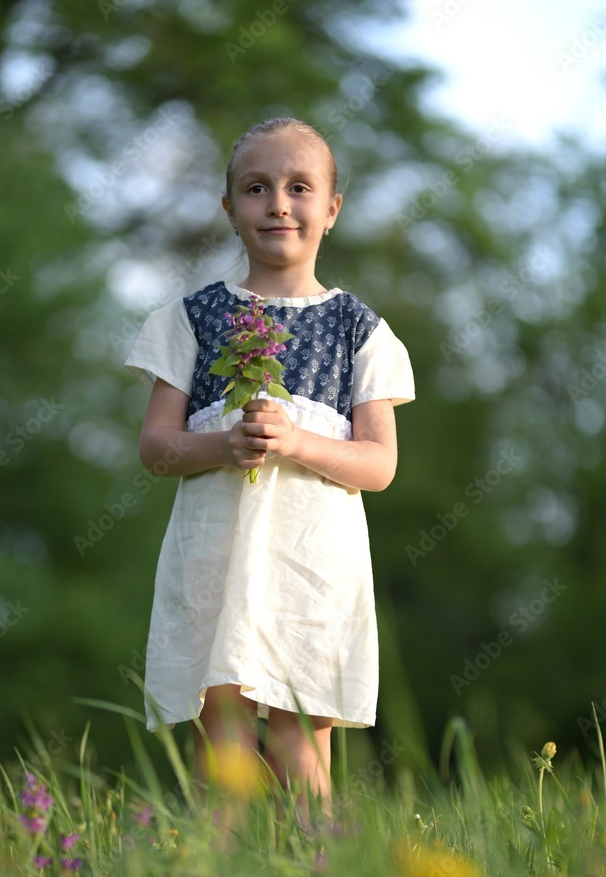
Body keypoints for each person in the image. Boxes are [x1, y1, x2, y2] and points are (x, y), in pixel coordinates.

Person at [125, 116, 415, 836]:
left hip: (311, 560)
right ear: (229, 208)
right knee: (220, 719)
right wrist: (225, 445)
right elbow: (156, 447)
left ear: (332, 209)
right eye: (256, 188)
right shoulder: (192, 319)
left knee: (297, 727)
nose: (278, 204)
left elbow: (378, 465)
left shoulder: (359, 329)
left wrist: (294, 444)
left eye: (298, 188)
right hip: (216, 553)